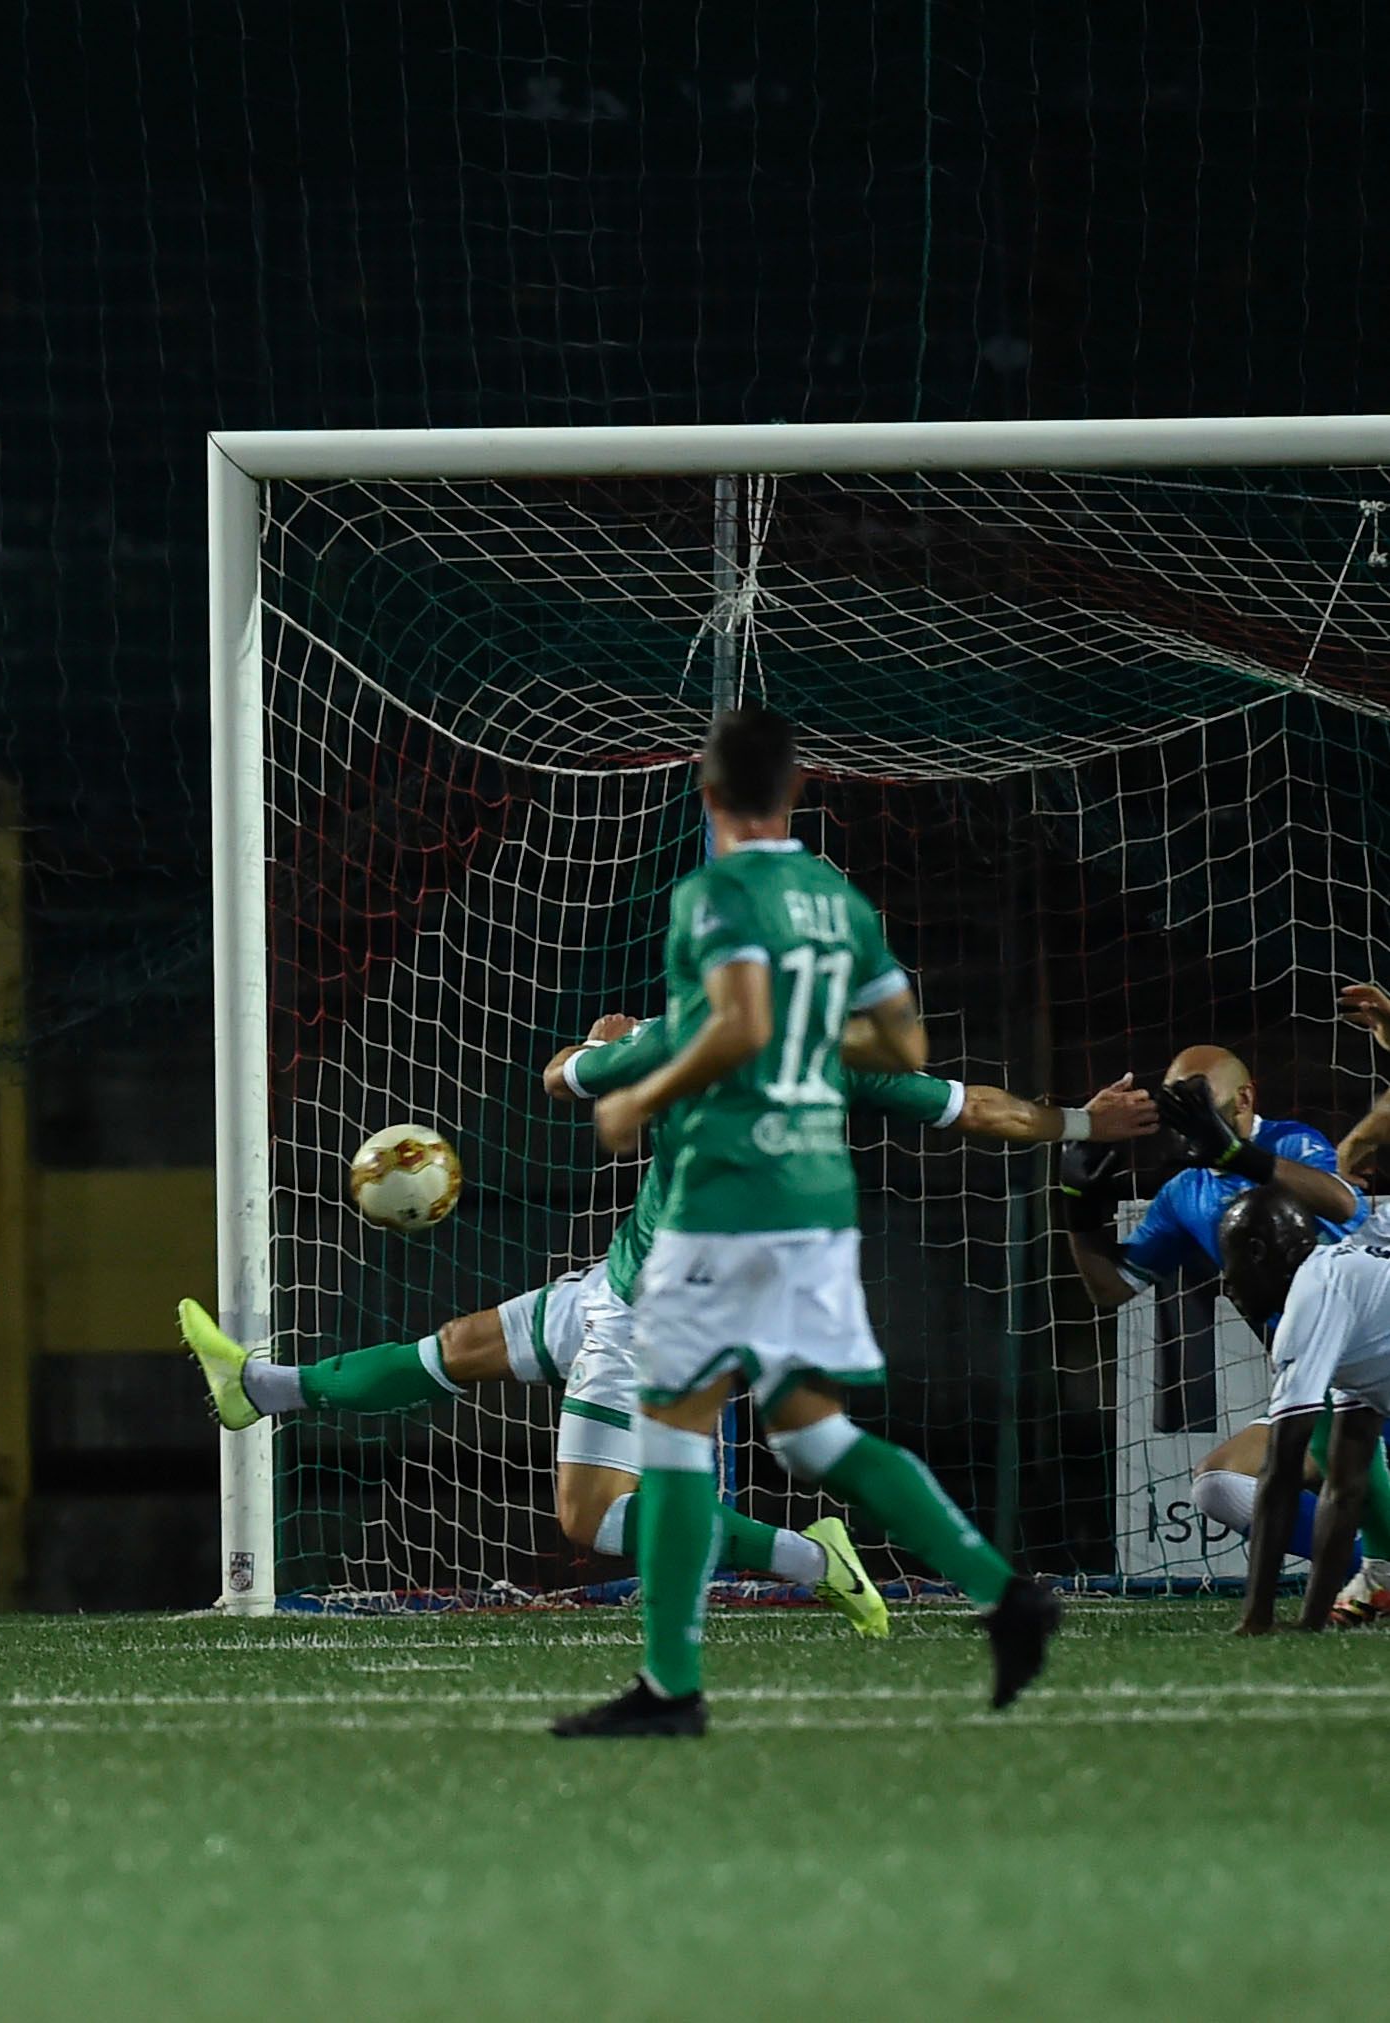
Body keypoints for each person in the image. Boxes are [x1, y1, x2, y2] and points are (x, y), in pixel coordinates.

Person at [177, 1032, 1157, 1635]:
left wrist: (602, 1044)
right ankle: (258, 1388)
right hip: (619, 1281)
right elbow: (977, 1109)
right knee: (459, 1348)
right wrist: (1078, 1115)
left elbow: (564, 1073)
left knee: (588, 1518)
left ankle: (812, 1559)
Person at [549, 707, 1056, 1738]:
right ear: (796, 790)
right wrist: (804, 1040)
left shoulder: (713, 892)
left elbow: (732, 1022)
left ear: (704, 791)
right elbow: (904, 1047)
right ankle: (1004, 1592)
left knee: (675, 1434)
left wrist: (640, 1094)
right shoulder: (834, 899)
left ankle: (671, 1687)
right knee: (813, 1432)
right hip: (815, 1200)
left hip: (724, 1198)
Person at [1053, 1041, 1384, 1608]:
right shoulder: (1184, 1193)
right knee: (1221, 1484)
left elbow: (1344, 1203)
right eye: (1180, 1106)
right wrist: (1078, 1209)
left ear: (1246, 1099)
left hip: (1364, 1362)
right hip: (1322, 1378)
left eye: (1204, 1105)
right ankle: (1371, 1573)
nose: (1190, 1122)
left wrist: (1236, 1155)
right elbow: (1110, 1288)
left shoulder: (1292, 1144)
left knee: (1312, 1467)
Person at [1232, 1188, 1389, 1633]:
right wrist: (1310, 1624)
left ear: (1259, 1252)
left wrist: (1256, 1618)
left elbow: (1280, 1473)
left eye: (1230, 1263)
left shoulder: (1315, 1292)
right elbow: (1344, 1486)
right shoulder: (1359, 1297)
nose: (1227, 1283)